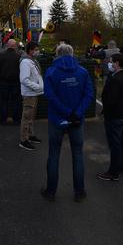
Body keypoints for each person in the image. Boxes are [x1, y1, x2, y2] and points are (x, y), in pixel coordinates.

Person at [40, 43, 94, 203]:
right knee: (77, 154)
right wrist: (76, 113)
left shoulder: (51, 72)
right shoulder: (82, 72)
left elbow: (50, 96)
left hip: (57, 119)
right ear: (72, 54)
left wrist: (66, 112)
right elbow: (88, 94)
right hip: (76, 120)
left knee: (54, 154)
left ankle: (50, 191)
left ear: (57, 54)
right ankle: (79, 192)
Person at [98, 53, 123, 181]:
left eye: (111, 62)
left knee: (115, 144)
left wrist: (106, 111)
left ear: (117, 63)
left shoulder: (115, 79)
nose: (110, 64)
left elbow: (111, 99)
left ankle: (113, 172)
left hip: (113, 115)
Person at [18, 41, 44, 151]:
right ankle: (24, 140)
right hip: (30, 94)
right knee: (27, 117)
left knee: (31, 117)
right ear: (30, 50)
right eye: (36, 50)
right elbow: (24, 79)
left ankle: (30, 135)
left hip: (33, 93)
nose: (37, 52)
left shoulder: (32, 61)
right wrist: (37, 87)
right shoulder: (25, 62)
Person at [0, 39, 22, 126]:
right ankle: (16, 119)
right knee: (15, 101)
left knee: (4, 101)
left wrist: (0, 78)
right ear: (15, 46)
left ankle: (3, 119)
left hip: (4, 82)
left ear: (7, 45)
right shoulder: (18, 57)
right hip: (15, 82)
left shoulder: (1, 56)